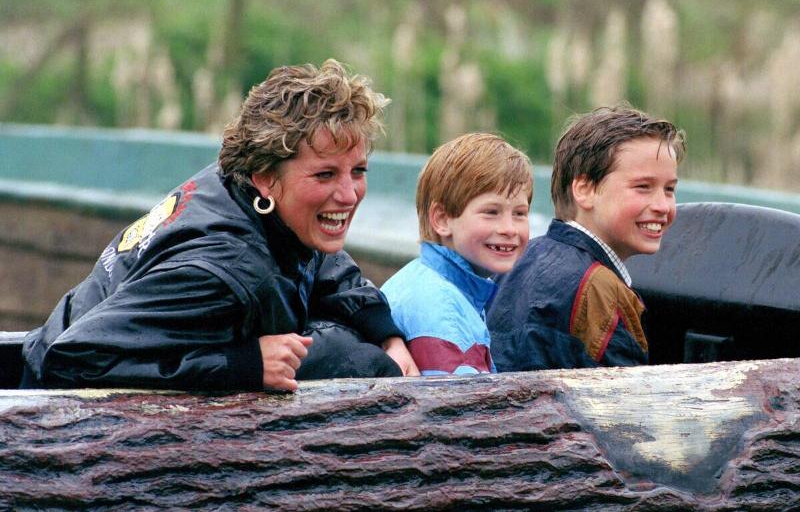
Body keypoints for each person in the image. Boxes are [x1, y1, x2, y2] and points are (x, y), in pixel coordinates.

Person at [20, 59, 419, 391]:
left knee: (355, 349)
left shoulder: (242, 191)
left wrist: (387, 333)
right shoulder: (226, 270)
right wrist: (243, 365)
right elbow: (71, 359)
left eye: (359, 171)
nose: (349, 195)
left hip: (73, 343)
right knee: (357, 364)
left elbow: (320, 261)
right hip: (56, 428)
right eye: (325, 175)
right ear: (265, 176)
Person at [489, 104, 686, 372]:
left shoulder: (520, 258)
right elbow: (627, 405)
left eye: (669, 189)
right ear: (584, 190)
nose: (663, 206)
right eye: (643, 187)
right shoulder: (601, 290)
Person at [381, 133, 532, 375]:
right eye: (491, 212)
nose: (509, 229)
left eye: (520, 213)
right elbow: (459, 408)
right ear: (442, 219)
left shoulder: (428, 280)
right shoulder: (443, 312)